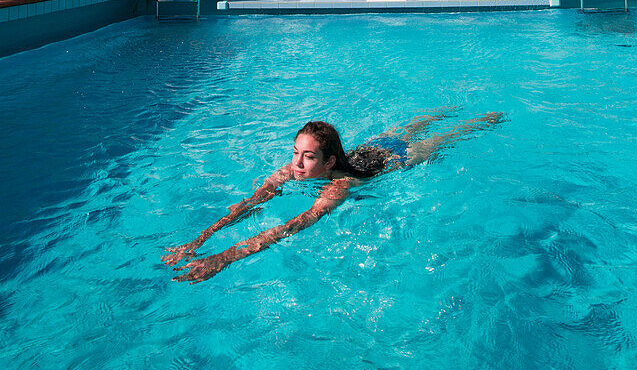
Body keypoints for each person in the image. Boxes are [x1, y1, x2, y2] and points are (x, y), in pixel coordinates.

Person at [164, 111, 504, 284]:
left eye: (308, 157)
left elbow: (288, 227)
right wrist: (199, 240)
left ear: (328, 162)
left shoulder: (336, 188)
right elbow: (245, 206)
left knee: (444, 137)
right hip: (364, 150)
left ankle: (481, 120)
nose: (297, 163)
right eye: (296, 152)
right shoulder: (289, 171)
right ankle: (443, 111)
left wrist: (225, 257)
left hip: (390, 161)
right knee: (411, 125)